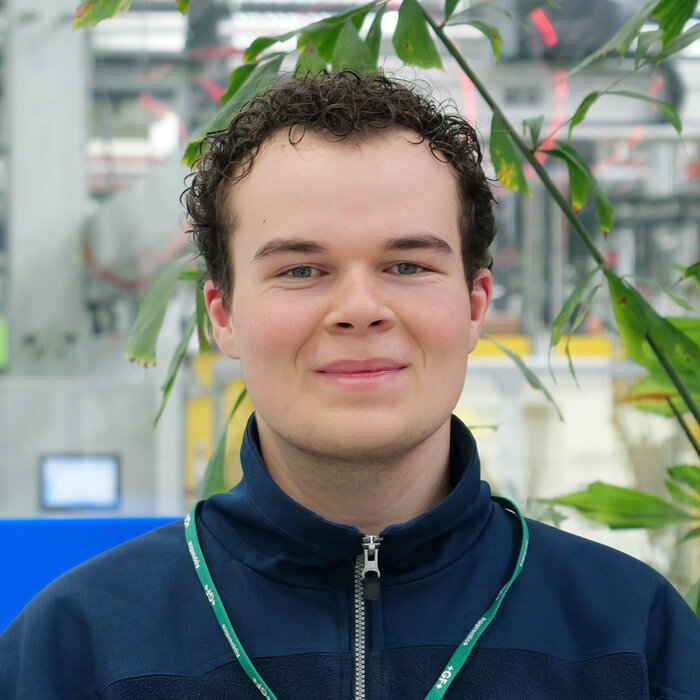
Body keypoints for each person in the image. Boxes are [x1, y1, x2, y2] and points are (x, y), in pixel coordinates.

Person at [1, 70, 698, 699]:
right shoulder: (77, 650)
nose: (360, 309)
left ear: (474, 304)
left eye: (407, 265)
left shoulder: (630, 637)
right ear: (223, 316)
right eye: (301, 270)